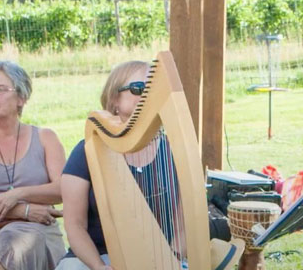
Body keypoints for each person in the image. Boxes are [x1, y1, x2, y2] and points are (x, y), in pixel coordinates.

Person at [57, 61, 243, 270]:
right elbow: (74, 225)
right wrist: (99, 266)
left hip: (160, 259)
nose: (146, 97)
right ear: (114, 99)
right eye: (138, 89)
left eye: (150, 91)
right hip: (94, 258)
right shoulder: (86, 152)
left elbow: (185, 225)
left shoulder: (174, 152)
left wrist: (168, 259)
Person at [0, 61, 67, 270]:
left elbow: (62, 189)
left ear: (21, 98)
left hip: (37, 231)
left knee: (15, 240)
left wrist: (16, 194)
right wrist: (21, 210)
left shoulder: (46, 138)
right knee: (5, 243)